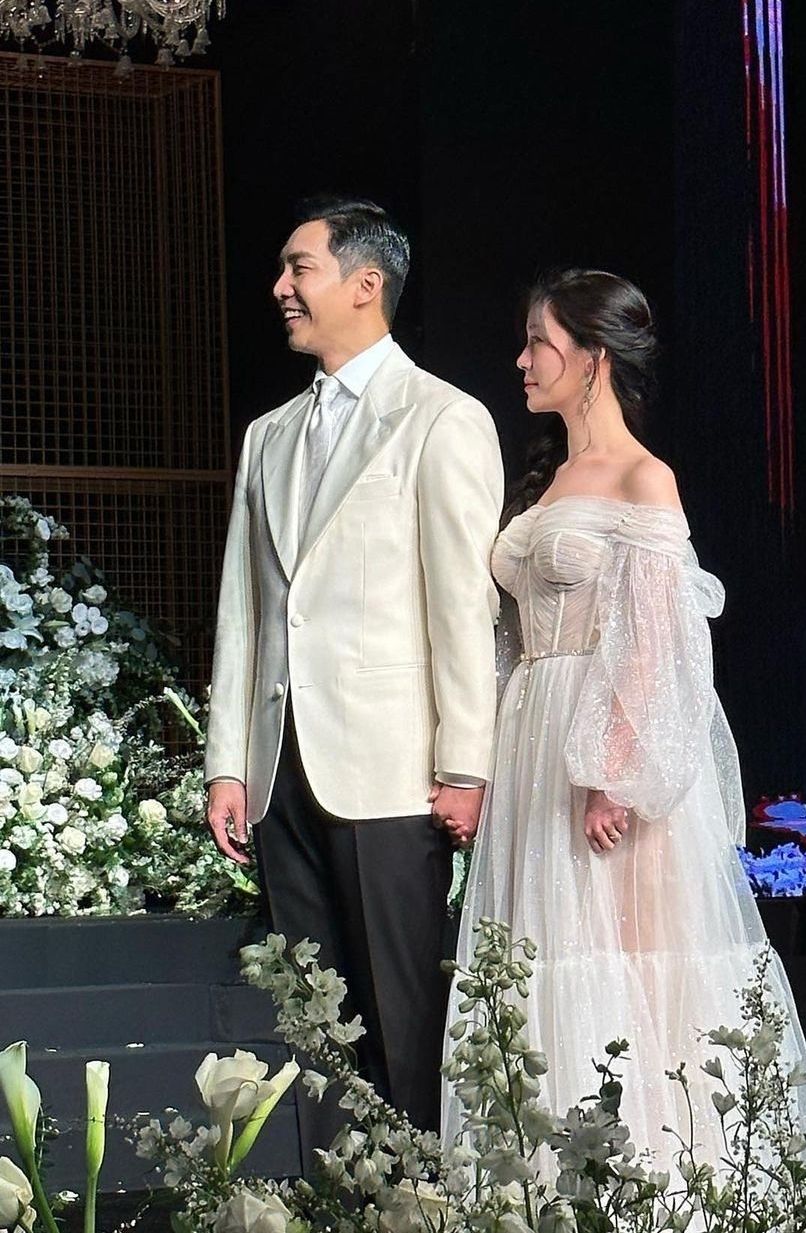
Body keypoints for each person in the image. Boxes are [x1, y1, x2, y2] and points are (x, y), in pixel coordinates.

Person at [441, 269, 806, 1171]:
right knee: (542, 951)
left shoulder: (644, 478)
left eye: (538, 342)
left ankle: (646, 1182)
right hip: (533, 736)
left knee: (620, 956)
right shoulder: (549, 478)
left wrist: (612, 770)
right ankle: (543, 1181)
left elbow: (660, 643)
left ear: (592, 357)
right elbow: (508, 638)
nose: (522, 359)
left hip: (596, 748)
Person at [203, 197, 504, 1149]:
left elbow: (462, 604)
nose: (280, 288)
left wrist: (465, 762)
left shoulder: (441, 417)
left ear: (365, 284)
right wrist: (226, 761)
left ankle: (421, 1198)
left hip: (389, 767)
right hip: (280, 768)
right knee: (315, 1028)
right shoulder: (268, 434)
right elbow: (246, 609)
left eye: (299, 268)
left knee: (399, 1016)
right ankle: (344, 1197)